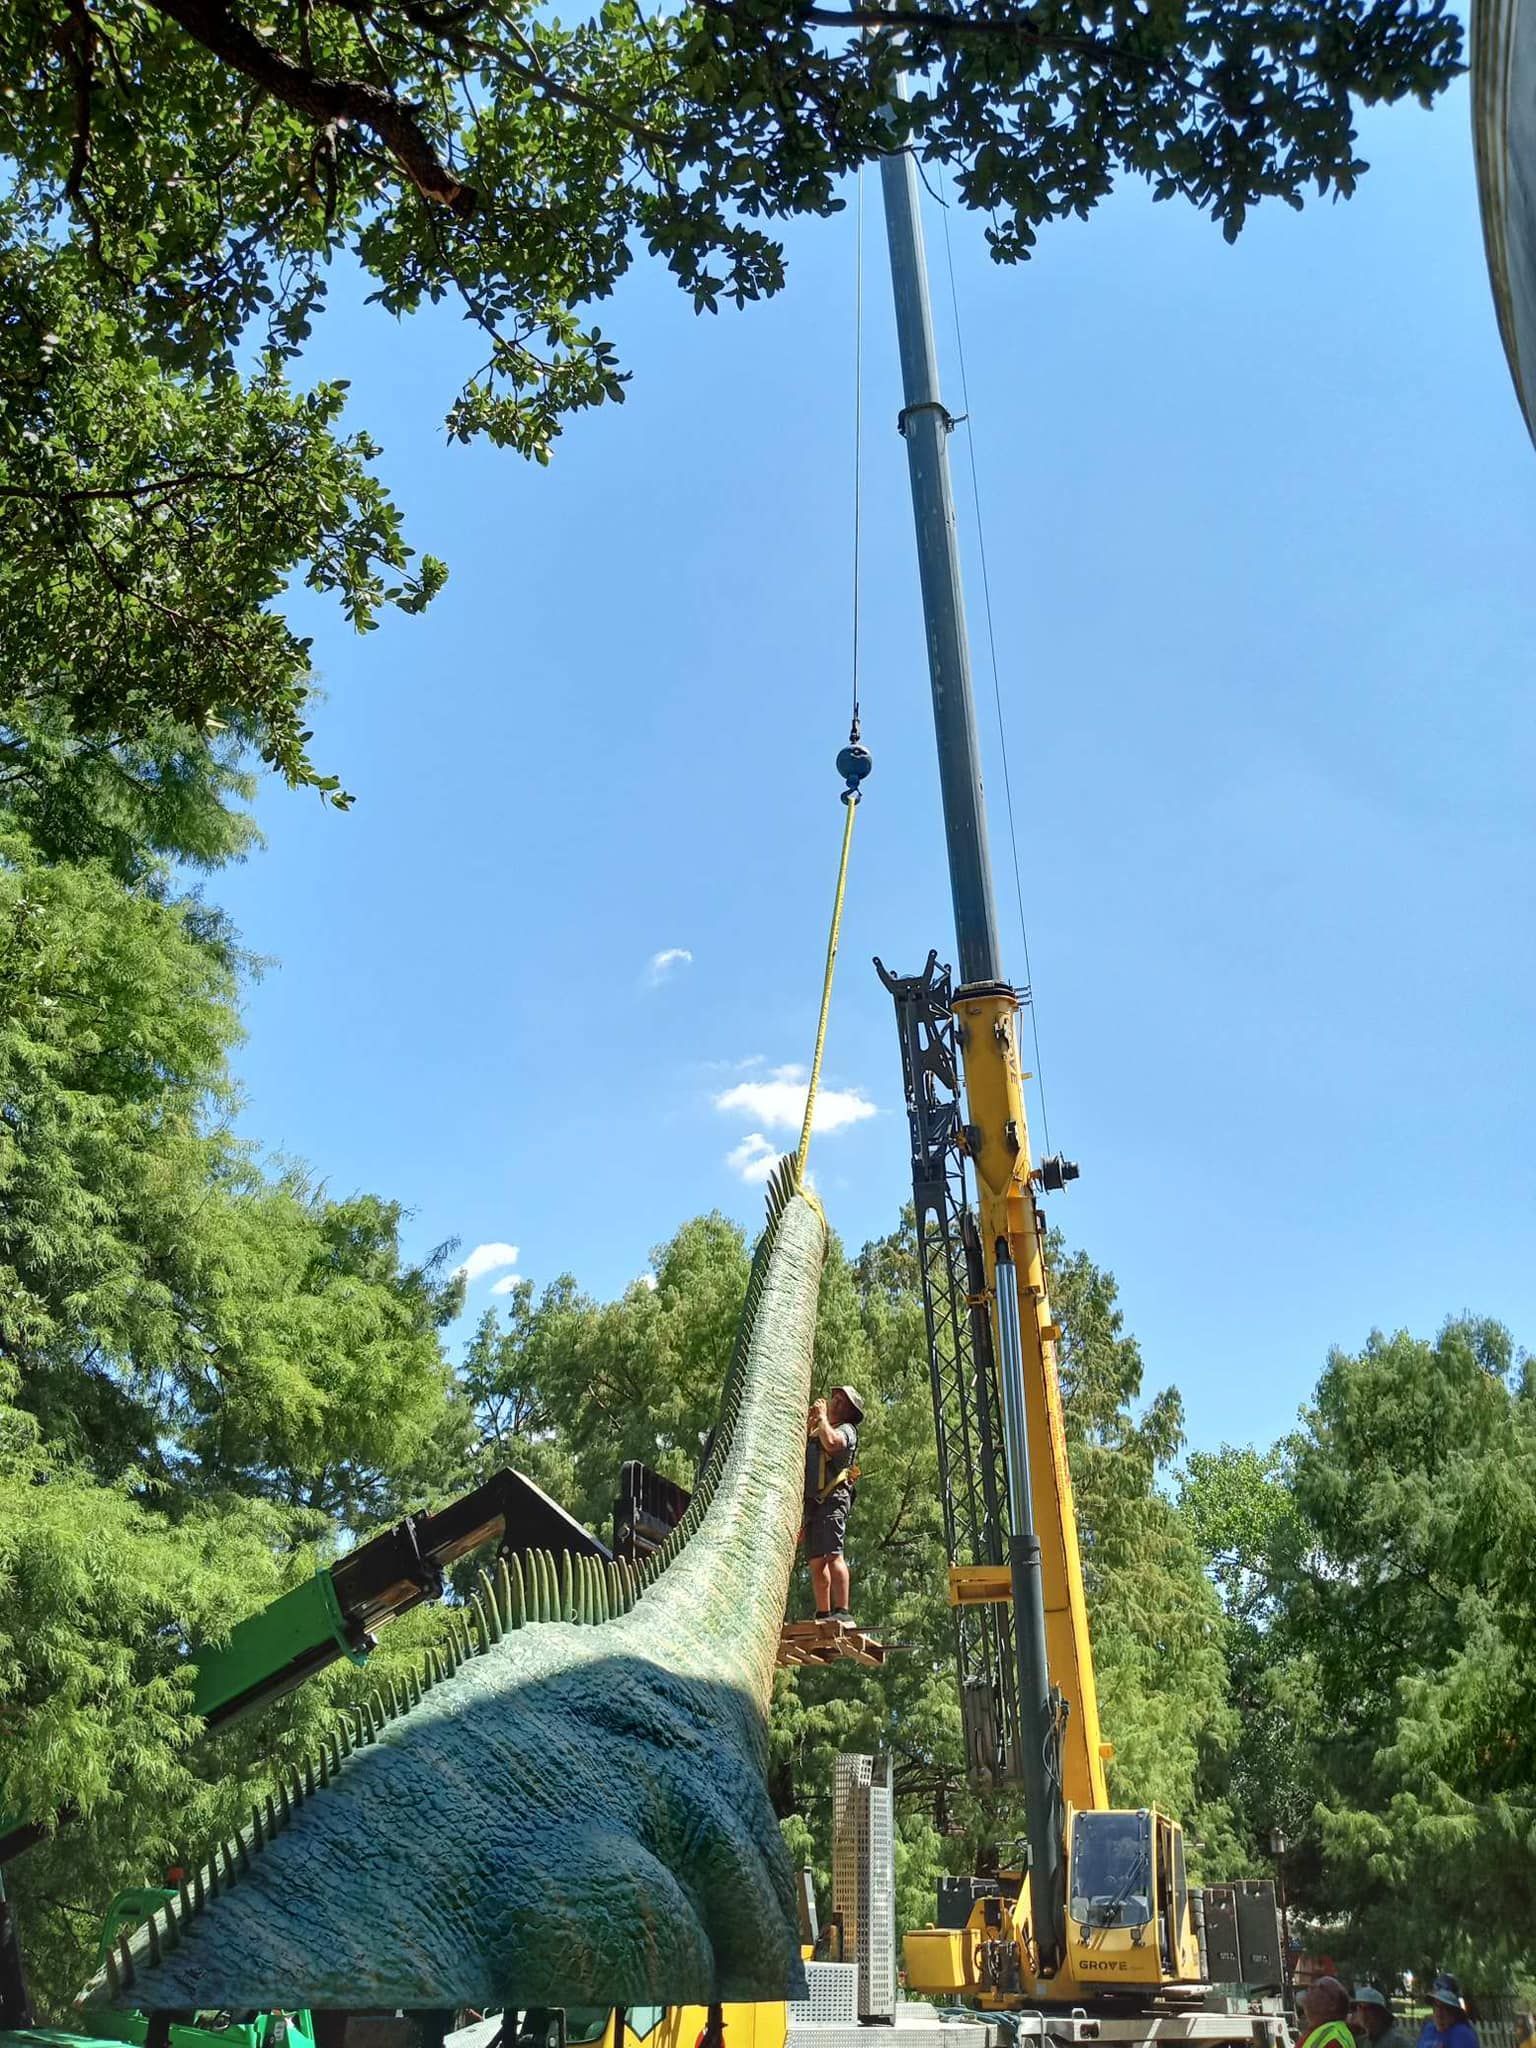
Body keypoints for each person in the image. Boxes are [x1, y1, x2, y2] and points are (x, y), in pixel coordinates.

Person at [804, 1383, 864, 1625]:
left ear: (849, 1411)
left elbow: (832, 1443)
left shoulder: (847, 1430)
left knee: (833, 1555)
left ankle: (843, 1611)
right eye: (835, 1398)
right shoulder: (819, 1428)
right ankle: (823, 1613)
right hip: (813, 1504)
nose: (834, 1402)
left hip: (833, 1499)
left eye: (841, 1400)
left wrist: (821, 1419)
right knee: (816, 1561)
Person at [1415, 1976, 1479, 2048]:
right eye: (1436, 2006)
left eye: (1446, 2008)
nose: (1439, 2014)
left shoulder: (1462, 2033)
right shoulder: (1429, 2029)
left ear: (1455, 2012)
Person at [1299, 1978, 1357, 2048]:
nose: (1310, 1987)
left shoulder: (1333, 2038)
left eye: (1320, 1987)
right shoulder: (1318, 2031)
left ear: (1332, 2004)